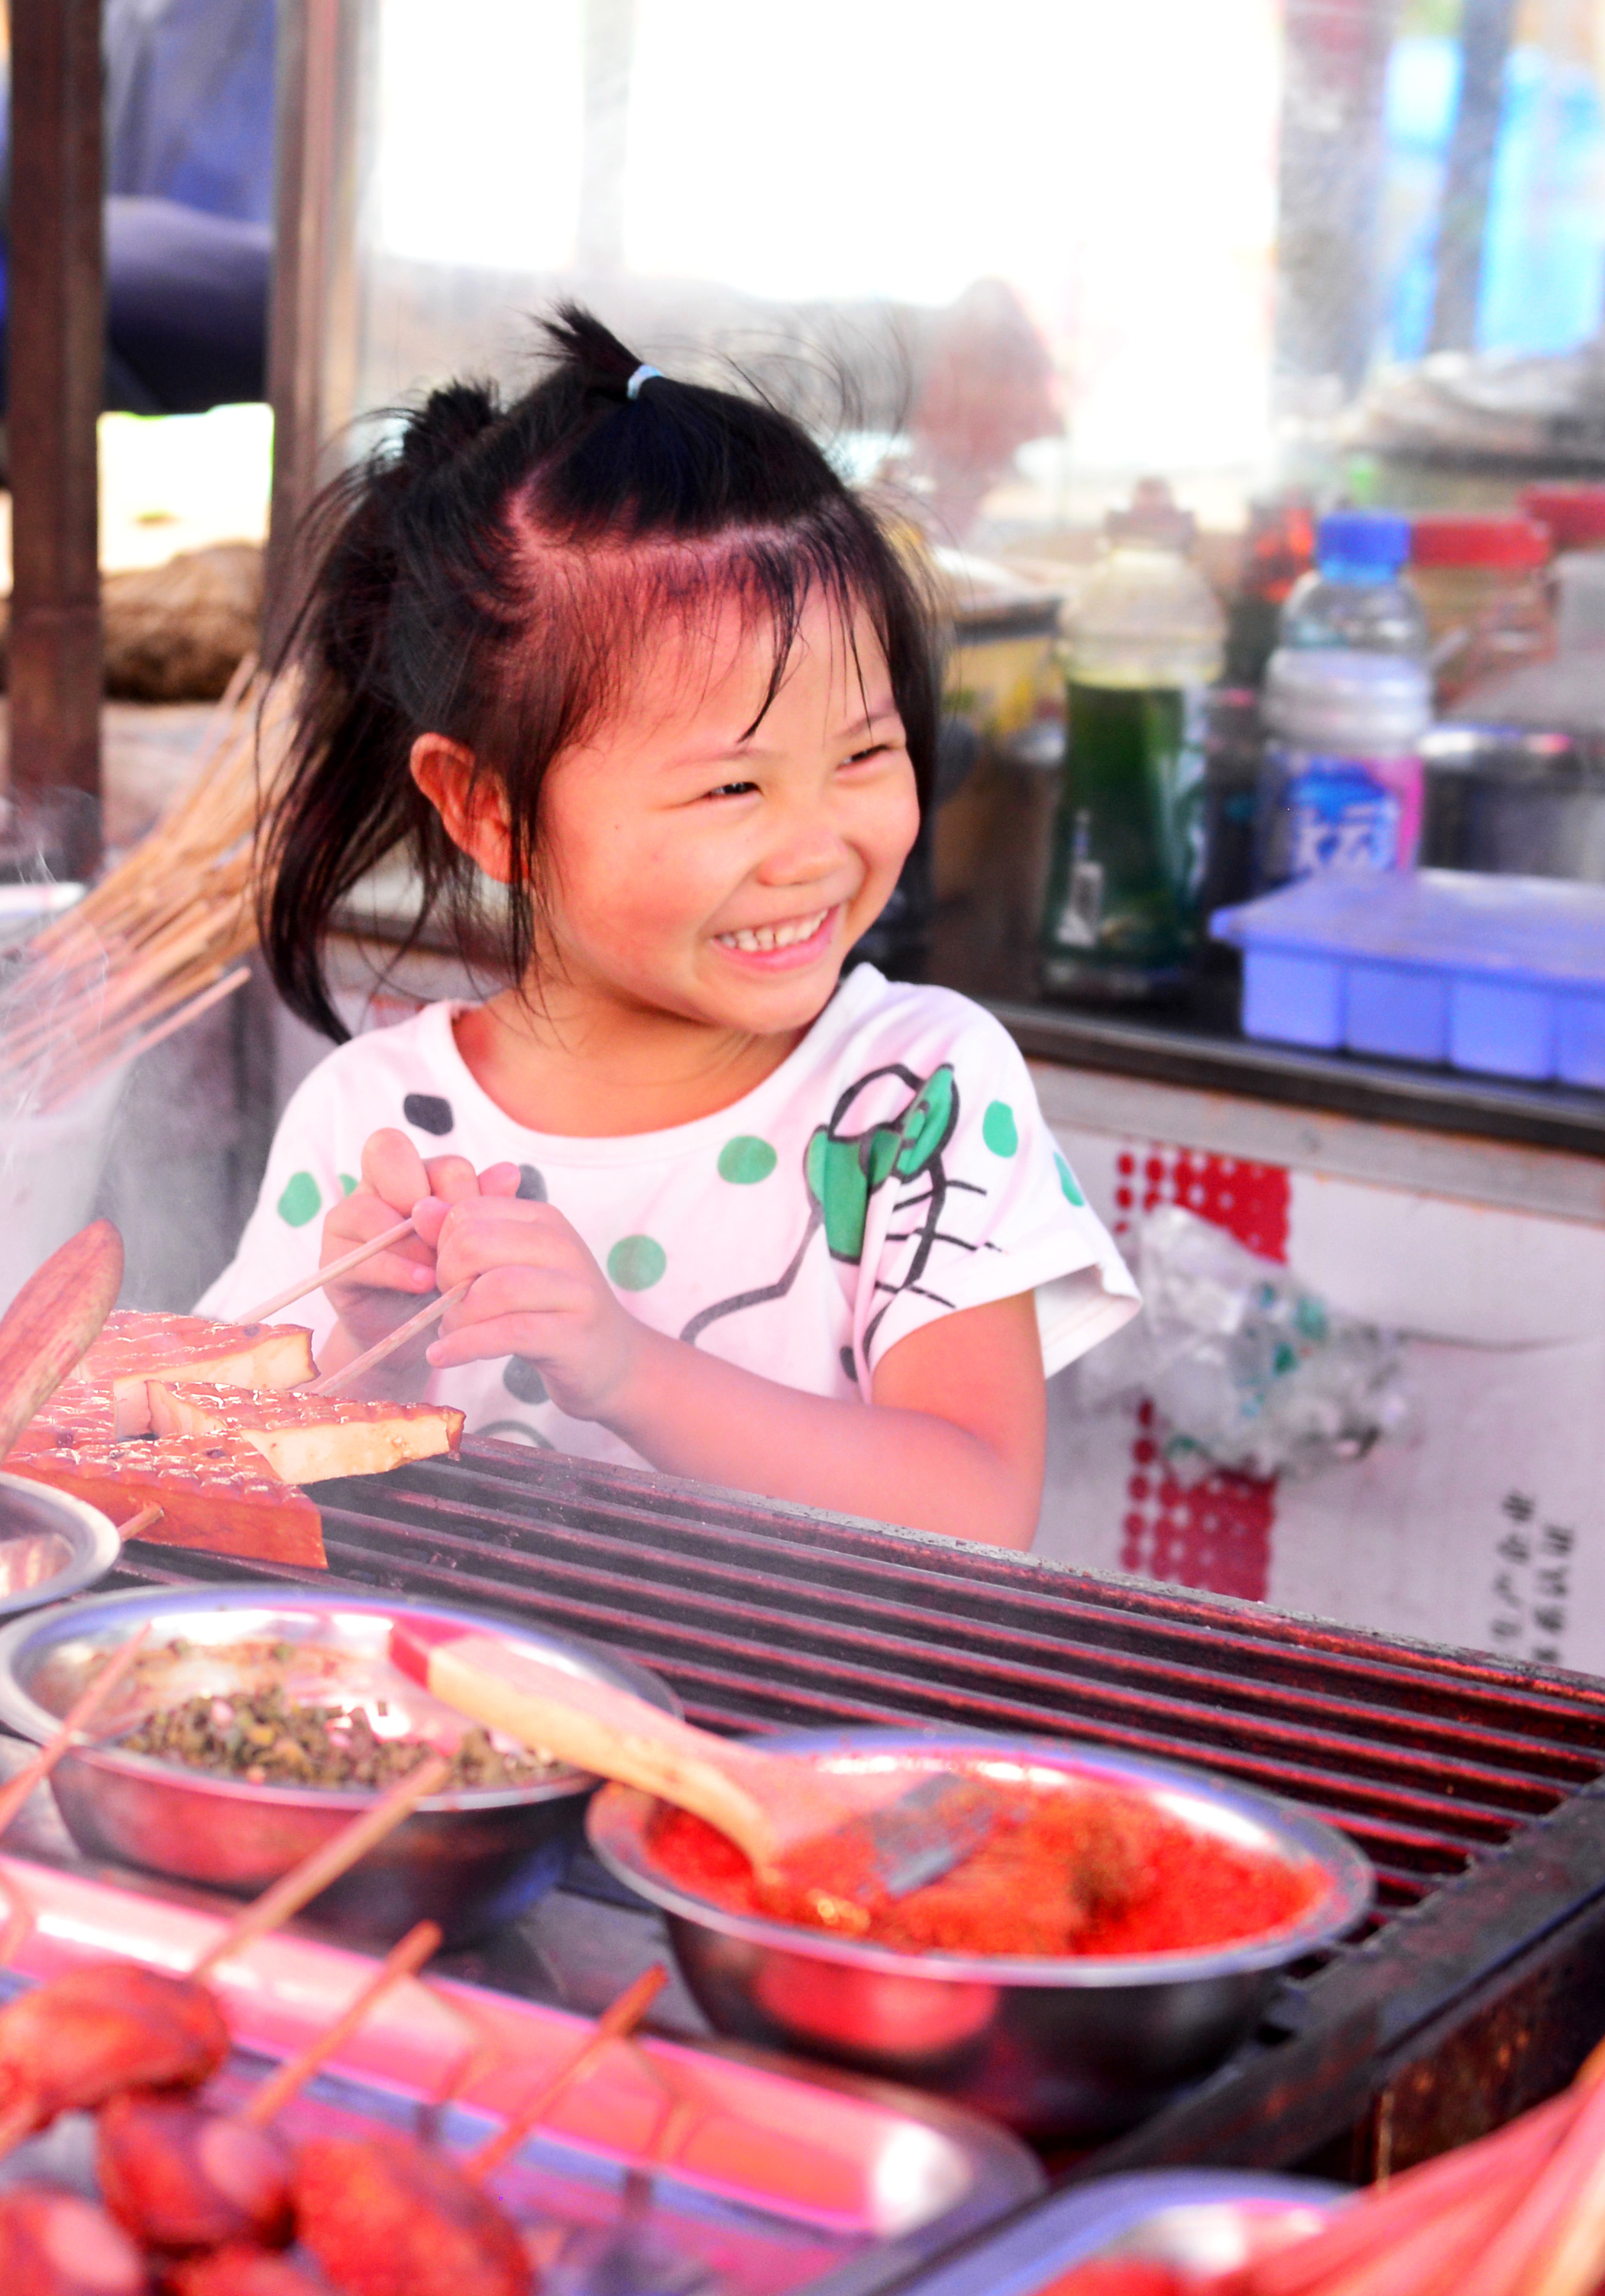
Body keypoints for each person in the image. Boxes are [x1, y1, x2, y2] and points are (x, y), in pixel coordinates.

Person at [195, 307, 1134, 1550]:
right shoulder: (374, 1126)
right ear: (488, 809)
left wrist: (630, 1370)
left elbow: (980, 1508)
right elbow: (213, 1485)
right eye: (733, 787)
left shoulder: (914, 1097)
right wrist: (365, 1358)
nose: (816, 848)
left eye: (865, 755)